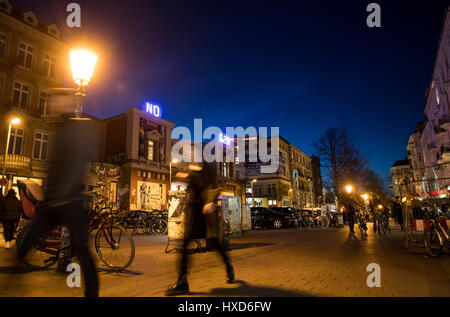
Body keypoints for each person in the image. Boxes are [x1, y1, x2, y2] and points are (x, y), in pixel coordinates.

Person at [16, 109, 99, 297]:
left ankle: (13, 278)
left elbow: (71, 168)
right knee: (83, 252)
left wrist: (56, 197)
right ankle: (14, 277)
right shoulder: (66, 135)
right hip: (65, 201)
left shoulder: (70, 136)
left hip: (65, 201)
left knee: (81, 251)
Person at [166, 162, 234, 296]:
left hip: (206, 214)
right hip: (193, 213)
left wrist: (211, 202)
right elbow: (189, 184)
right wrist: (182, 175)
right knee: (184, 246)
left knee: (215, 243)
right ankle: (182, 282)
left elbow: (215, 187)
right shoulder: (191, 171)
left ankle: (228, 265)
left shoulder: (208, 167)